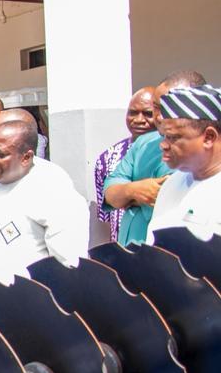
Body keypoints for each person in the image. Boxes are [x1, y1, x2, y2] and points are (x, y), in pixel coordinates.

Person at [0, 120, 89, 285]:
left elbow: (69, 265)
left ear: (26, 157)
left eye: (0, 153)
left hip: (30, 304)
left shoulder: (52, 190)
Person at [104, 70, 206, 245]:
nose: (158, 116)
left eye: (165, 106)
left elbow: (167, 200)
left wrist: (130, 197)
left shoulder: (202, 155)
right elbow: (110, 193)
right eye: (156, 107)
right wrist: (134, 190)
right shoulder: (143, 143)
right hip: (130, 256)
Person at [146, 85, 221, 241]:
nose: (163, 145)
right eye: (164, 136)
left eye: (173, 138)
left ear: (209, 137)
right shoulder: (173, 183)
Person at [93, 88, 158, 242]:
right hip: (121, 249)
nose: (138, 120)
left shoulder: (171, 155)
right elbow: (107, 218)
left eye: (148, 113)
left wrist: (126, 194)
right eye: (133, 112)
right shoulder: (107, 158)